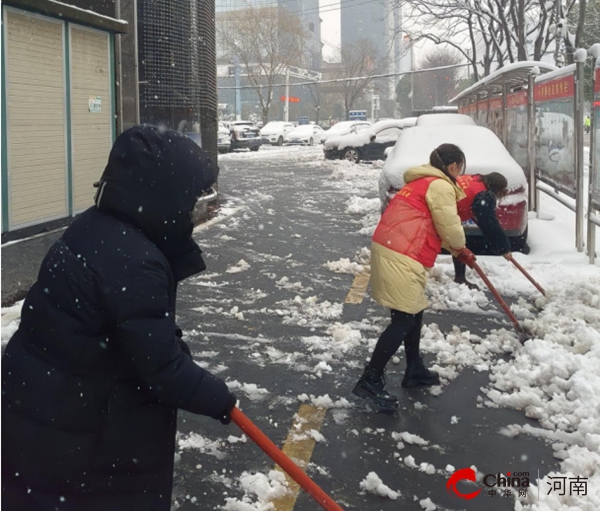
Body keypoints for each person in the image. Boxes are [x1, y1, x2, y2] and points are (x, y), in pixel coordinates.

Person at [2, 125, 237, 511]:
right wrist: (221, 400)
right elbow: (162, 368)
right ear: (164, 196)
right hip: (85, 436)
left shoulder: (94, 226)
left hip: (40, 412)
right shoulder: (134, 261)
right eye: (190, 198)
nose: (193, 209)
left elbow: (124, 324)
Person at [352, 143, 476, 410]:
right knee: (404, 318)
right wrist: (460, 248)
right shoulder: (439, 185)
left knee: (413, 312)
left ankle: (414, 370)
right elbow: (449, 226)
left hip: (395, 248)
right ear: (453, 166)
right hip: (401, 253)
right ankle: (370, 380)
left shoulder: (421, 182)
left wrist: (456, 249)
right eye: (460, 167)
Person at [452, 172, 513, 290]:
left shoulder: (473, 178)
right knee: (456, 240)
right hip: (442, 213)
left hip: (443, 207)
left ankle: (460, 277)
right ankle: (459, 277)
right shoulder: (483, 195)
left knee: (457, 240)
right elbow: (490, 225)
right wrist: (504, 248)